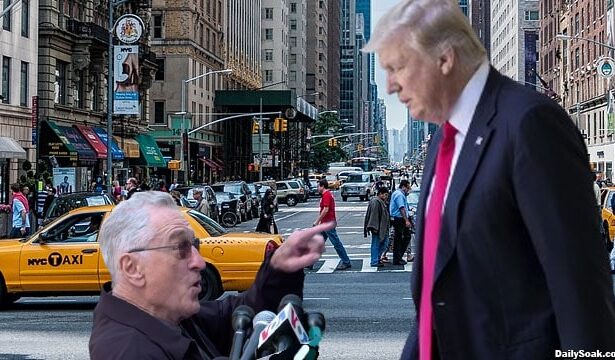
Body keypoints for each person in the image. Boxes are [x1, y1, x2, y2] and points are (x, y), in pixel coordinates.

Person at [365, 1, 615, 359]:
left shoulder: (531, 124)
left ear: (445, 59)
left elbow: (580, 287)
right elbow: (435, 305)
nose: (390, 85)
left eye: (398, 67)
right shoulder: (441, 140)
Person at [89, 191, 333, 359]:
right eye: (180, 248)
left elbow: (239, 313)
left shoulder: (170, 316)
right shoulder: (128, 351)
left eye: (194, 245)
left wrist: (280, 268)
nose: (199, 262)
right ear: (132, 268)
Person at [313, 179, 351, 270]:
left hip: (328, 223)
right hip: (326, 223)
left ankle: (346, 261)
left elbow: (325, 209)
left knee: (336, 243)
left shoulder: (326, 195)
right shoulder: (326, 194)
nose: (317, 188)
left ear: (322, 186)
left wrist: (317, 221)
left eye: (318, 186)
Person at [364, 187, 390, 267]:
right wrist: (374, 227)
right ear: (380, 194)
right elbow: (374, 215)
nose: (386, 197)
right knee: (376, 244)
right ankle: (374, 260)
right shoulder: (376, 201)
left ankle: (377, 258)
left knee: (384, 243)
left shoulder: (380, 201)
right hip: (377, 227)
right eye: (385, 195)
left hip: (382, 227)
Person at [389, 180, 413, 265]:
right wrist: (406, 220)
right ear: (403, 186)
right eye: (407, 187)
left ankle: (399, 256)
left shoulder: (399, 194)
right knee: (401, 238)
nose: (408, 189)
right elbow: (401, 208)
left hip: (399, 218)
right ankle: (398, 258)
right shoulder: (399, 195)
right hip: (399, 219)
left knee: (404, 237)